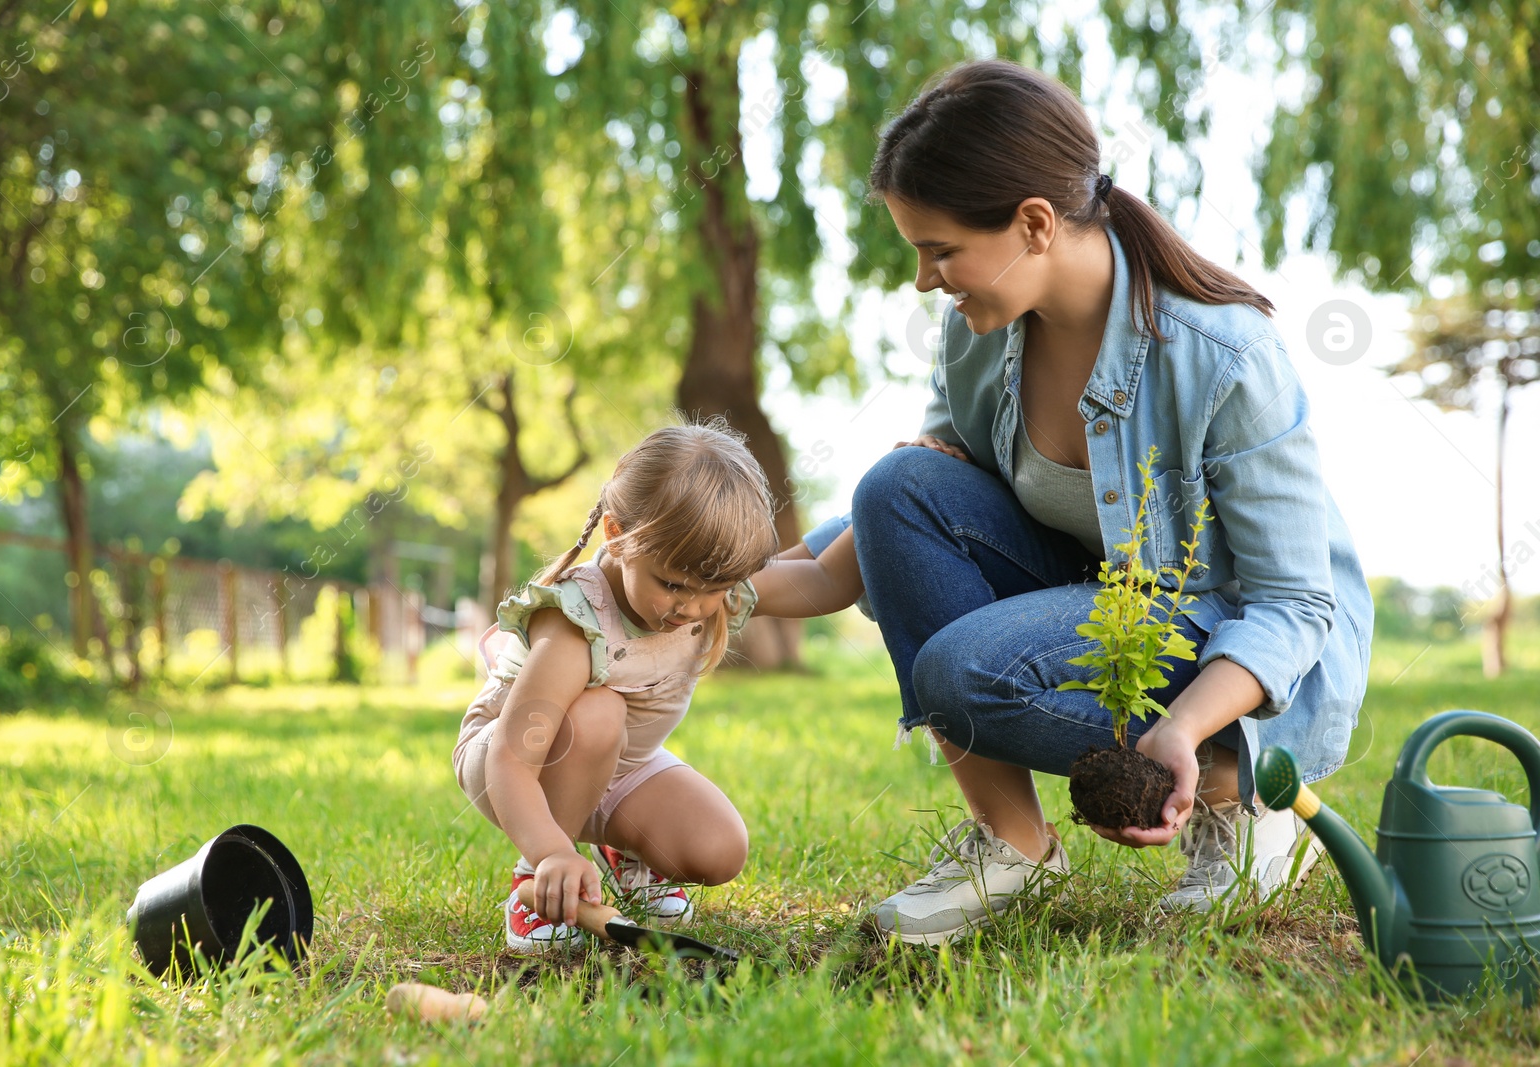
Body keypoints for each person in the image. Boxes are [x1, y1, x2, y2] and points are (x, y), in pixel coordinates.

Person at [828, 58, 1374, 944]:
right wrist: (717, 572)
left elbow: (1293, 601)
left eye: (940, 250)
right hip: (1100, 593)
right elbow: (919, 511)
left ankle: (1247, 799)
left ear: (1034, 223)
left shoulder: (1225, 355)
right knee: (894, 487)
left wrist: (1183, 728)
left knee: (960, 671)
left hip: (1235, 637)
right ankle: (1011, 845)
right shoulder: (978, 334)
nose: (927, 279)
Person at [453, 419, 863, 952]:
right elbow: (512, 761)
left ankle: (623, 855)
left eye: (712, 589)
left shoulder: (707, 579)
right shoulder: (579, 623)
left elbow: (827, 582)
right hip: (510, 763)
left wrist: (886, 497)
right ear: (618, 536)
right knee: (599, 714)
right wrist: (551, 851)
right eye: (672, 585)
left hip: (616, 763)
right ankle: (536, 885)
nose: (691, 607)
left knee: (718, 848)